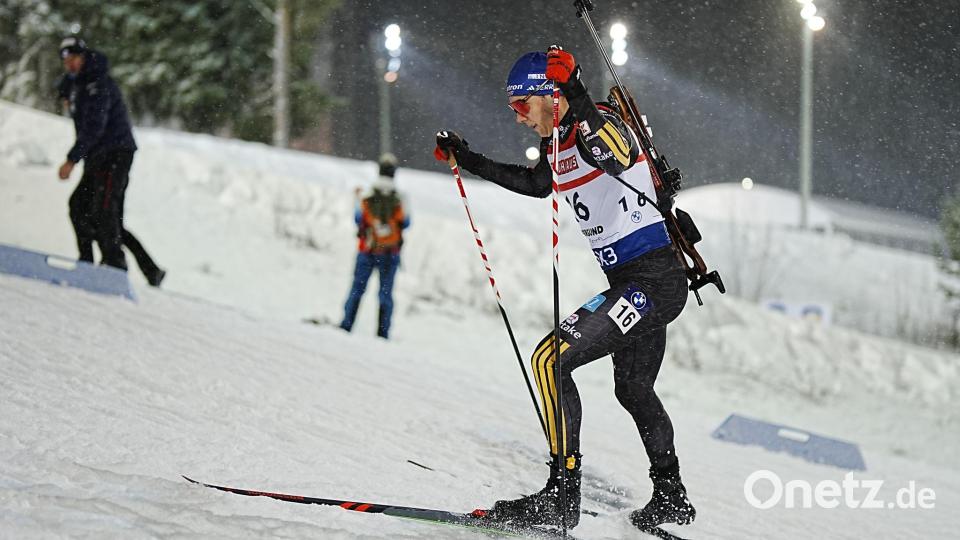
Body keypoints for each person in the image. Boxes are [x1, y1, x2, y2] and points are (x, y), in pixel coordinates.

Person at [434, 47, 694, 531]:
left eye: (521, 106)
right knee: (633, 389)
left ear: (549, 96)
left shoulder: (601, 124)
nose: (518, 118)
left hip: (654, 280)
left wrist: (574, 87)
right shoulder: (559, 145)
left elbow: (613, 151)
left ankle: (560, 495)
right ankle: (671, 495)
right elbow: (536, 184)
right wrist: (467, 158)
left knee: (549, 359)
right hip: (633, 282)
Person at [56, 37, 165, 287]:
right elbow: (69, 93)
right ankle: (91, 263)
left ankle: (114, 268)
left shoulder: (98, 83)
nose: (70, 64)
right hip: (97, 155)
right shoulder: (77, 84)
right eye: (66, 60)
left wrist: (72, 159)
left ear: (84, 57)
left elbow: (95, 126)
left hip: (115, 153)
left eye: (74, 58)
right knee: (80, 207)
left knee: (104, 213)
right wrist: (66, 93)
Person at [339, 153, 410, 339]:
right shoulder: (401, 197)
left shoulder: (367, 193)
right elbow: (407, 223)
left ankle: (346, 325)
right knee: (385, 294)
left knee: (357, 289)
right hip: (390, 252)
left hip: (367, 250)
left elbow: (358, 219)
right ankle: (382, 333)